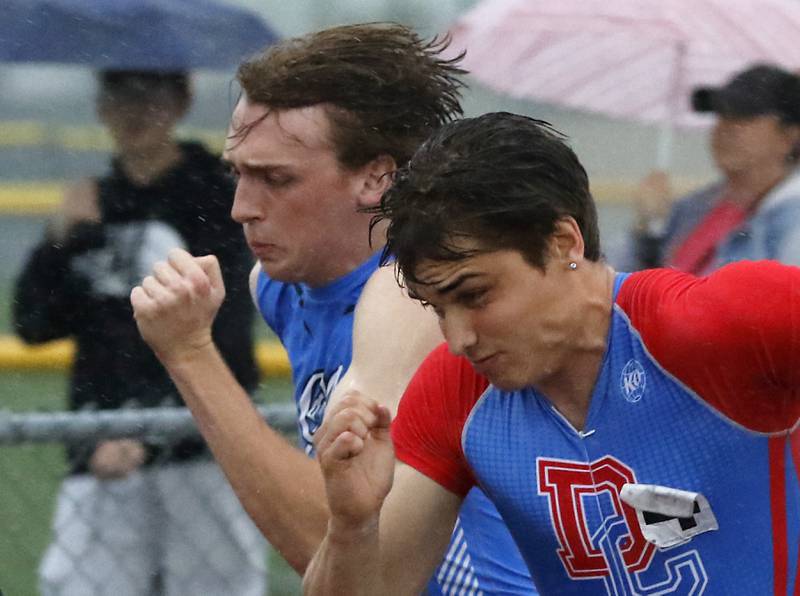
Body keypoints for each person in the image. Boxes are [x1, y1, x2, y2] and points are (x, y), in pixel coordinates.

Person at [305, 111, 800, 595]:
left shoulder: (724, 322)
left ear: (564, 242)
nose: (458, 340)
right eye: (437, 308)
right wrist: (352, 526)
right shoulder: (457, 390)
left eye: (475, 295)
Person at [131, 23, 535, 595]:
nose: (241, 208)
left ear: (376, 177)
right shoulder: (279, 284)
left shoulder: (414, 297)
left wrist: (191, 354)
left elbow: (343, 548)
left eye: (276, 179)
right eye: (238, 173)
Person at [13, 70, 266, 596]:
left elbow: (230, 333)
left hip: (201, 447)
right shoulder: (94, 204)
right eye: (120, 97)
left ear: (180, 102)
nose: (135, 111)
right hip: (99, 446)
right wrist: (62, 237)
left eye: (150, 96)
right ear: (102, 107)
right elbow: (33, 325)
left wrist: (148, 434)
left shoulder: (216, 198)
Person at [628, 63, 800, 273]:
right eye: (721, 114)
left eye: (743, 117)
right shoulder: (694, 207)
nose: (724, 128)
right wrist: (650, 228)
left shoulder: (791, 222)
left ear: (790, 135)